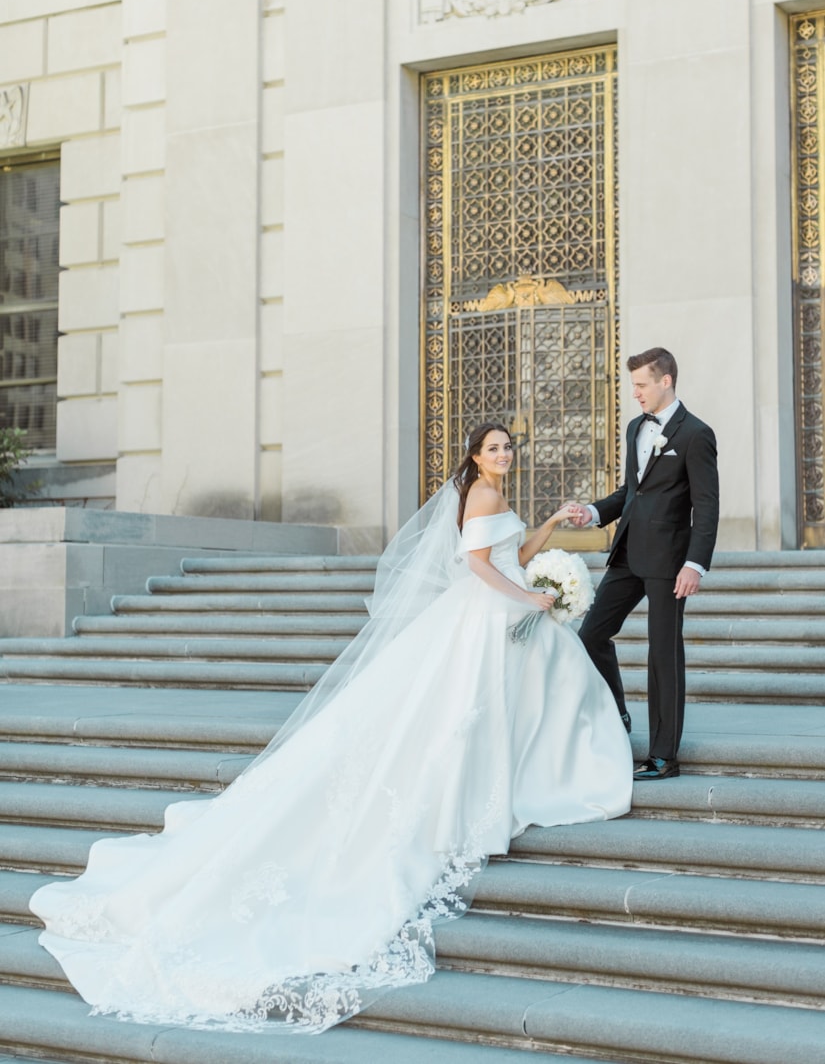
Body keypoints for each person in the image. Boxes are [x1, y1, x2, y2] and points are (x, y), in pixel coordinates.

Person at [29, 422, 632, 1035]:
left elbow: (512, 555)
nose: (504, 455)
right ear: (475, 455)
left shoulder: (498, 497)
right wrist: (526, 600)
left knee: (515, 702)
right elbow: (477, 565)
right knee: (457, 717)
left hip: (504, 610)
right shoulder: (479, 493)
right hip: (483, 616)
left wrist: (551, 532)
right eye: (494, 448)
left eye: (508, 447)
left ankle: (523, 780)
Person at [567, 348, 719, 782]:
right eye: (632, 384)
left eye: (641, 384)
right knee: (591, 634)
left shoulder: (696, 434)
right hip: (628, 552)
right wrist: (594, 513)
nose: (634, 393)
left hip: (671, 560)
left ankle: (663, 756)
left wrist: (695, 564)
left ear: (665, 381)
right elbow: (632, 491)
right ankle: (617, 714)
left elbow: (707, 508)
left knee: (662, 654)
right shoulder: (636, 427)